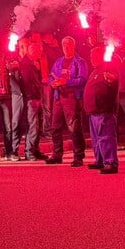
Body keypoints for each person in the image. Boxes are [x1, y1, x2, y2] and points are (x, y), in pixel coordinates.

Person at [46, 36, 88, 167]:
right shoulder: (59, 62)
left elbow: (83, 79)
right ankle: (57, 154)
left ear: (74, 46)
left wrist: (67, 81)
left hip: (72, 97)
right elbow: (50, 76)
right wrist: (53, 83)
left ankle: (78, 156)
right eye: (64, 44)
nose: (66, 47)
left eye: (69, 44)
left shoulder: (80, 62)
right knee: (55, 127)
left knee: (74, 127)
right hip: (59, 97)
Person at [84, 46, 119, 174]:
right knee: (96, 138)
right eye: (91, 56)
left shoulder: (108, 68)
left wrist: (111, 80)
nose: (92, 59)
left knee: (106, 137)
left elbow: (113, 80)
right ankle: (100, 160)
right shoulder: (95, 71)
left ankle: (110, 162)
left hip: (103, 110)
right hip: (93, 111)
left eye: (94, 56)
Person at [16, 39, 47, 160]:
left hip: (35, 97)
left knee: (37, 125)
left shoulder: (31, 63)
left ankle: (35, 150)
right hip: (32, 98)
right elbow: (28, 82)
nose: (40, 55)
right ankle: (29, 151)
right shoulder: (26, 64)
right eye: (39, 52)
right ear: (34, 51)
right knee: (33, 125)